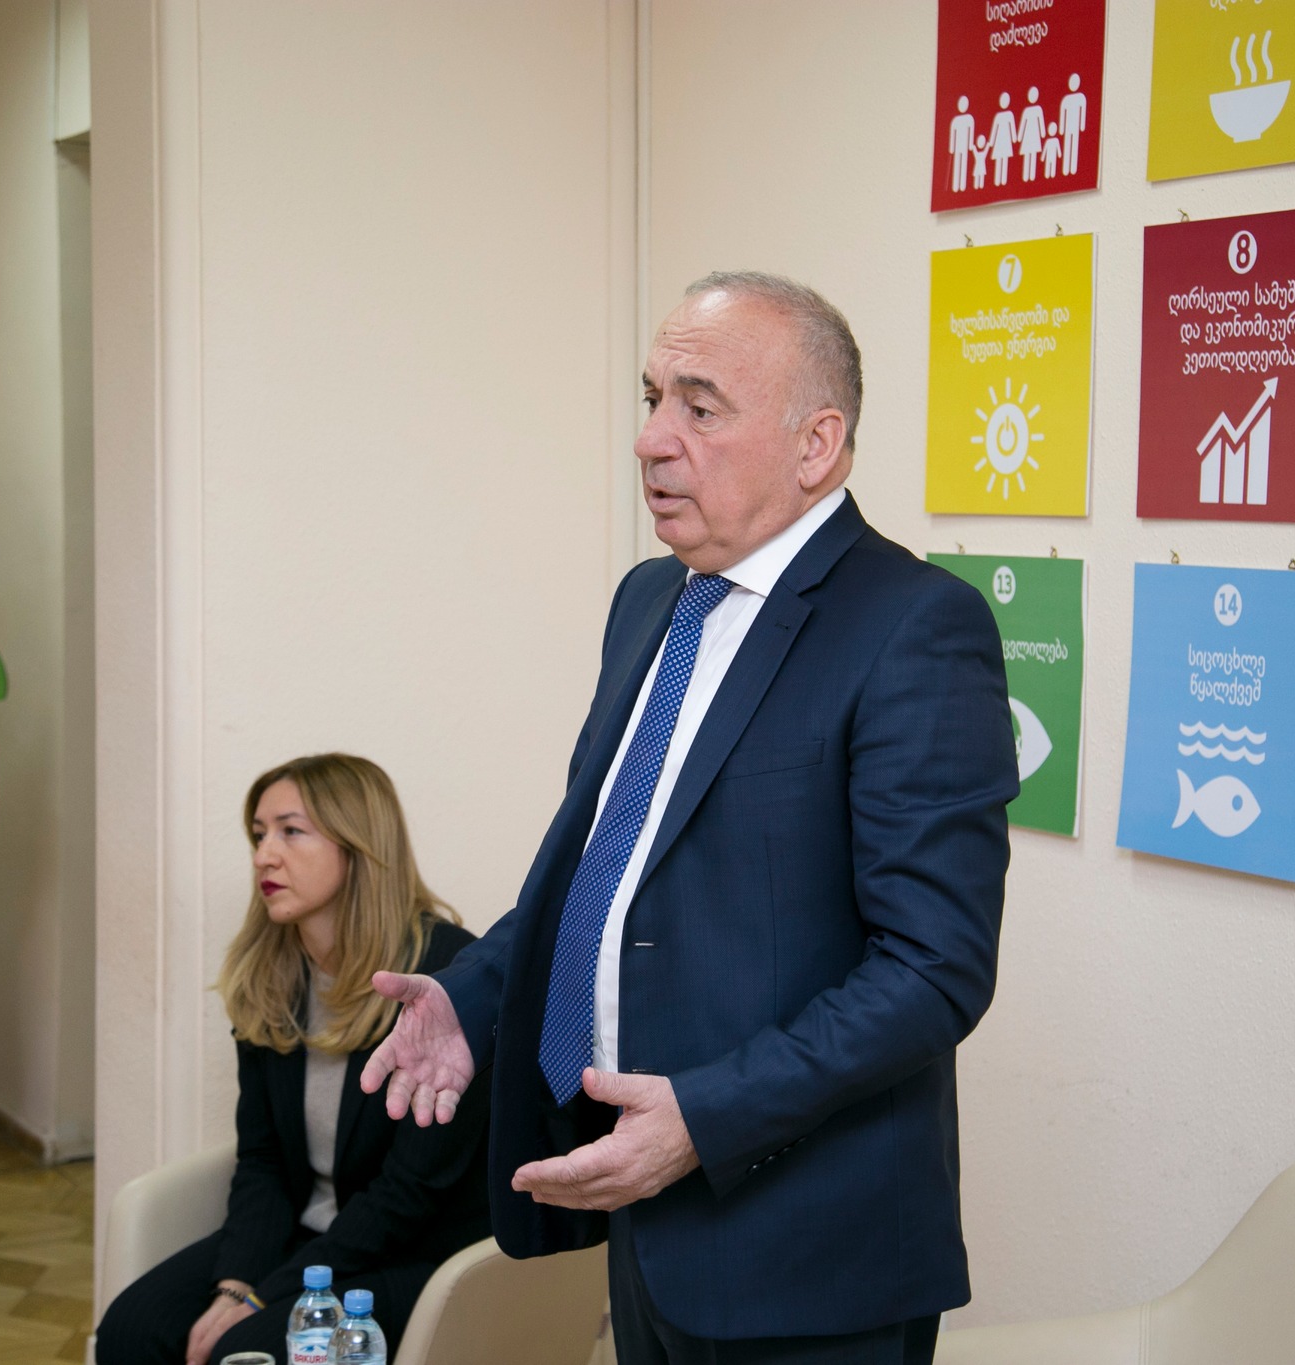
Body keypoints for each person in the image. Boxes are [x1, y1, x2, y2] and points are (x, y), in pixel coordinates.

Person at [360, 273, 1018, 1364]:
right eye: (651, 397)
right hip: (648, 1228)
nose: (651, 440)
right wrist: (470, 996)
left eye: (699, 408)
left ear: (815, 445)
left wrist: (703, 1119)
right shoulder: (650, 601)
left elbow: (933, 968)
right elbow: (603, 871)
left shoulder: (914, 627)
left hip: (812, 1262)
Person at [97, 754, 490, 1365]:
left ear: (358, 845)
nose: (264, 856)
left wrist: (266, 1298)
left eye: (290, 831)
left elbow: (412, 1192)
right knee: (132, 1329)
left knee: (247, 1350)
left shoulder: (445, 978)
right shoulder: (270, 976)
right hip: (309, 1237)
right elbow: (265, 1162)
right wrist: (236, 1282)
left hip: (419, 1250)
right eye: (258, 835)